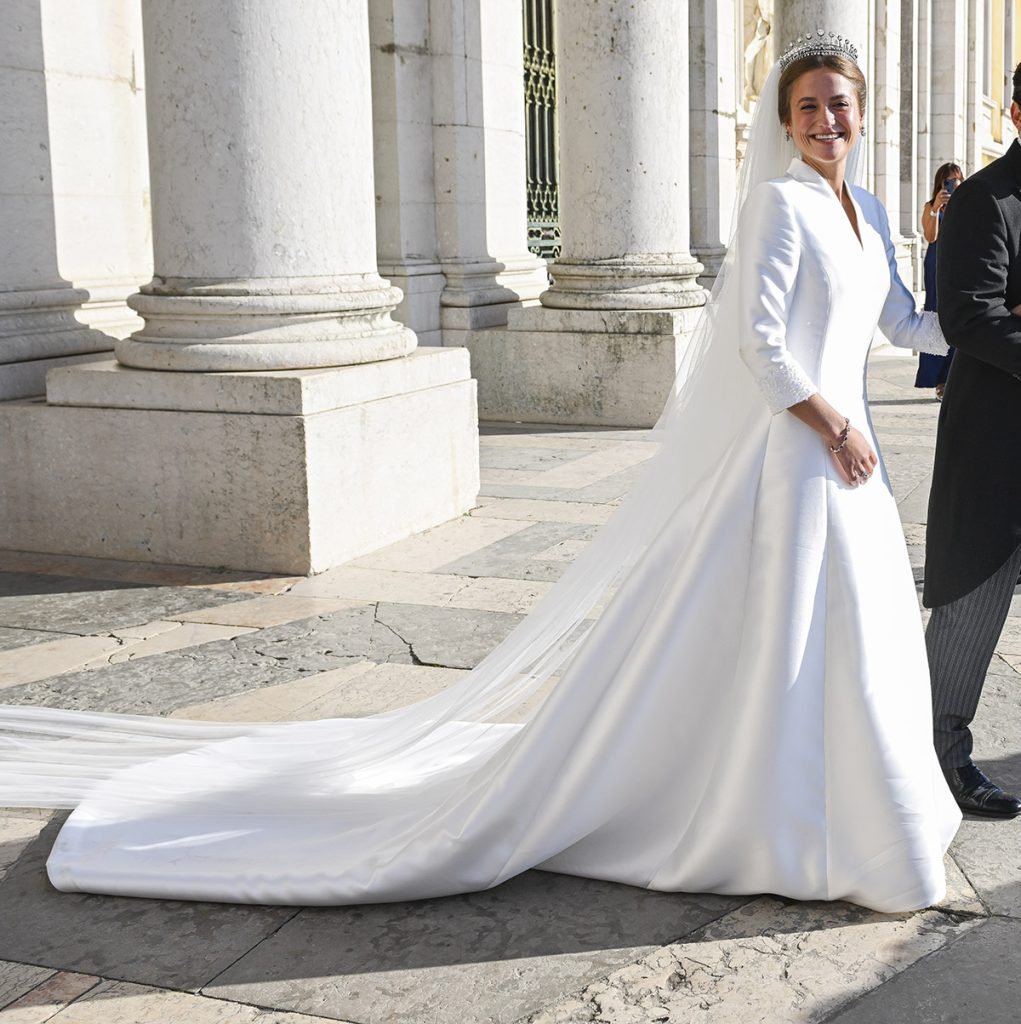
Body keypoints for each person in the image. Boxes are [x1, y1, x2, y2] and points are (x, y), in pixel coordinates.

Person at [0, 36, 961, 912]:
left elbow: (901, 324)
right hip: (800, 459)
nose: (827, 122)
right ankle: (773, 824)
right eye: (808, 108)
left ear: (862, 112)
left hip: (853, 468)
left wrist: (985, 323)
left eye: (840, 105)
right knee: (782, 644)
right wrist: (832, 421)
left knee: (847, 646)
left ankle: (851, 815)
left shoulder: (867, 209)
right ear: (785, 121)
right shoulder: (778, 202)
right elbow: (758, 345)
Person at [922, 63, 1021, 819]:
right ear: (1016, 113)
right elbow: (970, 317)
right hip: (996, 449)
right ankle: (938, 763)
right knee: (965, 613)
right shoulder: (982, 201)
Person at [915, 162, 964, 398]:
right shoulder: (931, 206)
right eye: (948, 181)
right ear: (940, 184)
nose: (953, 185)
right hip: (936, 265)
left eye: (956, 180)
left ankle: (953, 379)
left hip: (960, 265)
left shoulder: (967, 204)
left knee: (958, 316)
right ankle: (938, 380)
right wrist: (936, 208)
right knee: (937, 319)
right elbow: (930, 236)